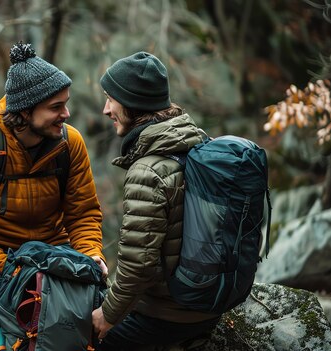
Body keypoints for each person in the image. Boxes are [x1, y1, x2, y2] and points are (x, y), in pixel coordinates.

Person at [0, 42, 107, 351]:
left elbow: (83, 213)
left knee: (88, 298)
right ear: (26, 111)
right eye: (56, 107)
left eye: (65, 104)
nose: (66, 114)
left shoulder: (71, 145)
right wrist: (8, 267)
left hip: (49, 250)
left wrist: (91, 253)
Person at [91, 52, 221, 350]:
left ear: (132, 103)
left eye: (111, 99)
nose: (105, 109)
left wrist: (106, 316)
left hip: (167, 316)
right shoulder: (199, 146)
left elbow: (139, 266)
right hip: (207, 304)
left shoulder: (148, 170)